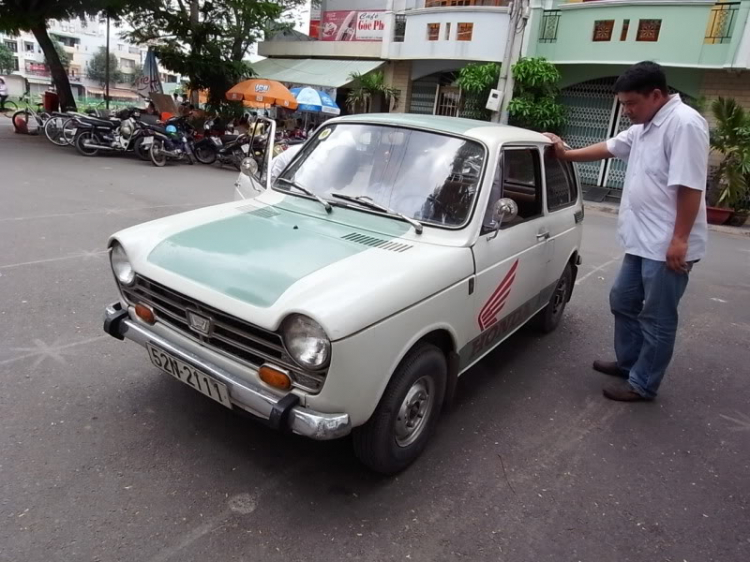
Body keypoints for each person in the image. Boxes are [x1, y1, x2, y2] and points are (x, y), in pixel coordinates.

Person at [544, 61, 709, 402]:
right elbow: (609, 147)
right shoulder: (645, 125)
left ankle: (643, 383)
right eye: (622, 104)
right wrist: (565, 154)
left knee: (658, 317)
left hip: (667, 244)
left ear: (657, 95)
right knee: (623, 300)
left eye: (631, 104)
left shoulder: (684, 124)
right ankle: (630, 362)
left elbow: (690, 187)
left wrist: (680, 239)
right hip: (642, 239)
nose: (626, 111)